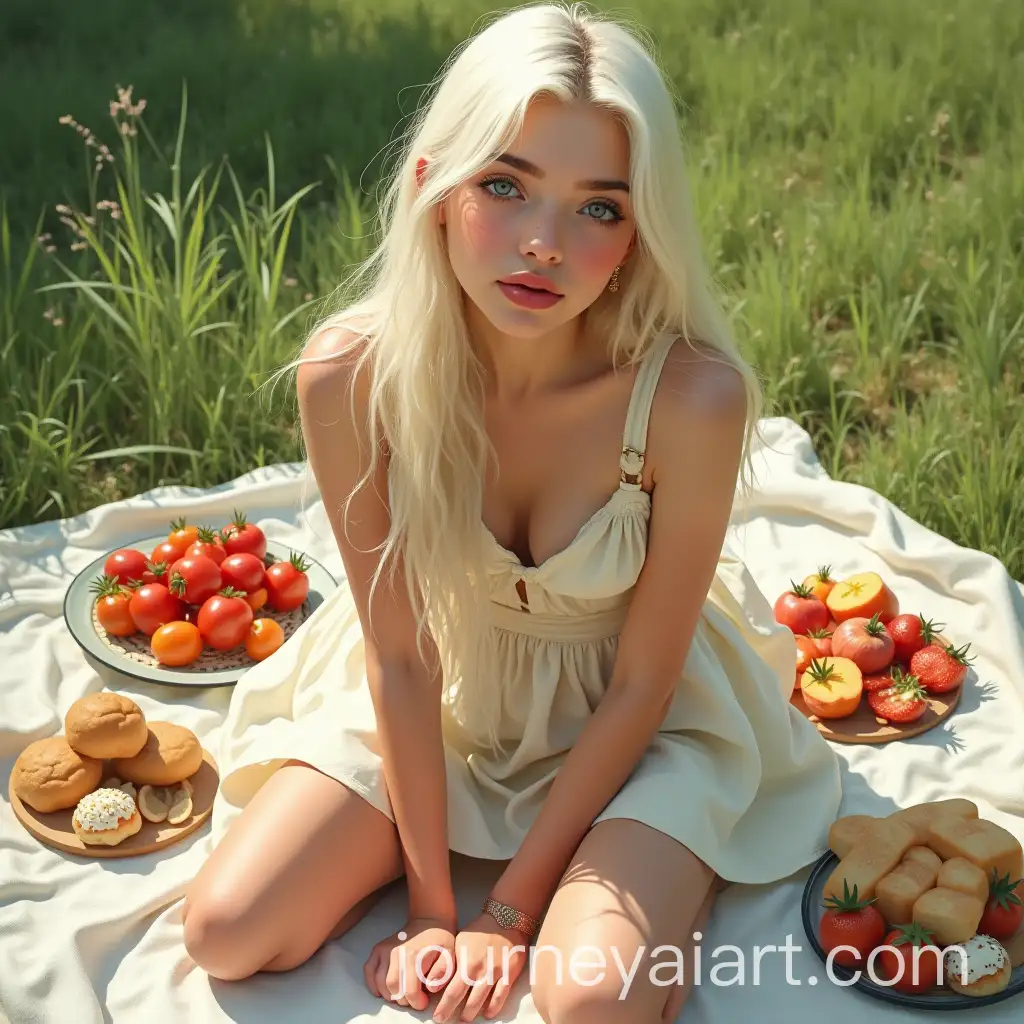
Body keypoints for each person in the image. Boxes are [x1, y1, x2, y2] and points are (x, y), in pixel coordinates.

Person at [181, 3, 842, 1021]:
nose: (543, 245)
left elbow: (644, 682)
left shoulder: (688, 399)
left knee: (591, 1001)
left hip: (638, 724)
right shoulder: (352, 375)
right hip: (441, 702)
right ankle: (441, 846)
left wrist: (509, 912)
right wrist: (432, 909)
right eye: (504, 186)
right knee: (227, 929)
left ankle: (665, 861)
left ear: (639, 231)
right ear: (432, 188)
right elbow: (401, 658)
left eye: (598, 209)